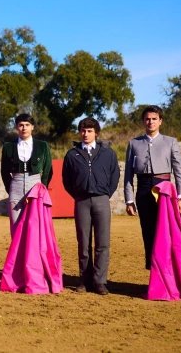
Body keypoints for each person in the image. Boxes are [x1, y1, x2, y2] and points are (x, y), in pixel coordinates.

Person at [61, 117, 120, 295]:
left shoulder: (108, 153)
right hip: (81, 201)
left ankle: (100, 281)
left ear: (96, 132)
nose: (85, 134)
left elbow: (114, 176)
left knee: (103, 243)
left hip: (102, 199)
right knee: (84, 243)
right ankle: (85, 280)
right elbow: (66, 180)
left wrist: (105, 194)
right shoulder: (72, 154)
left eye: (89, 131)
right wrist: (78, 194)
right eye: (83, 131)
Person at [124, 105, 181, 270]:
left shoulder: (170, 142)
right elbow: (128, 175)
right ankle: (153, 271)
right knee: (148, 232)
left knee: (167, 232)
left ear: (160, 121)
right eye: (147, 119)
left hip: (164, 189)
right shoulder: (134, 143)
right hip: (143, 189)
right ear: (143, 121)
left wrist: (180, 197)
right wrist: (129, 200)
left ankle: (169, 272)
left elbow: (179, 171)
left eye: (154, 119)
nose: (150, 122)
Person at [0, 113, 52, 236]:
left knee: (35, 225)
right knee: (16, 225)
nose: (24, 128)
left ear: (32, 127)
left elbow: (48, 169)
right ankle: (18, 256)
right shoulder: (8, 146)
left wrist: (42, 188)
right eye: (21, 125)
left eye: (27, 125)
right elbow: (4, 171)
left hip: (35, 184)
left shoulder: (42, 145)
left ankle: (33, 255)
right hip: (16, 184)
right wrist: (11, 188)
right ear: (17, 127)